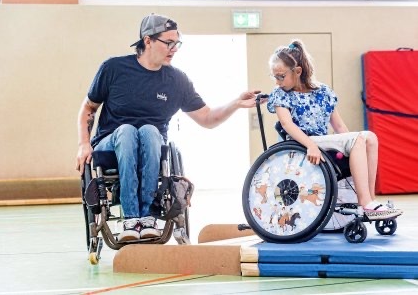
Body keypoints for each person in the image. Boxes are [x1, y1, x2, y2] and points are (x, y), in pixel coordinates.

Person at [76, 13, 261, 243]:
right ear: (147, 40)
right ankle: (131, 218)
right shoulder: (114, 68)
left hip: (152, 145)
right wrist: (84, 143)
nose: (174, 48)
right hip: (110, 145)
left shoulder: (176, 80)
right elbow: (88, 109)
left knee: (149, 131)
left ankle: (147, 217)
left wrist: (236, 103)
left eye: (177, 43)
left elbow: (207, 117)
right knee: (127, 131)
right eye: (169, 43)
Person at [266, 39, 402, 221]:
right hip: (300, 143)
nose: (277, 81)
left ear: (298, 71)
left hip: (322, 142)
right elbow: (287, 125)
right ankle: (365, 202)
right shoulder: (280, 93)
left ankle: (370, 200)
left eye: (281, 76)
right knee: (357, 140)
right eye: (274, 76)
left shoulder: (323, 92)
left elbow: (339, 126)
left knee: (369, 137)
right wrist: (311, 146)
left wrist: (352, 144)